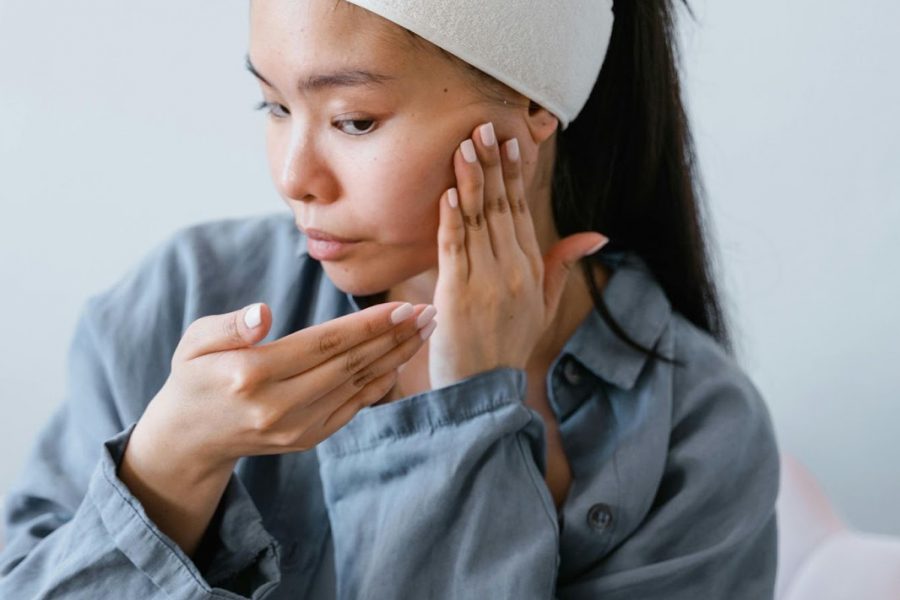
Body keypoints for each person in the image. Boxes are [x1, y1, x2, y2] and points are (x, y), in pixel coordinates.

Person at [0, 0, 780, 598]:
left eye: (353, 120)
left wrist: (465, 415)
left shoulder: (695, 433)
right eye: (273, 106)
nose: (293, 175)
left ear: (534, 104)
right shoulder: (184, 299)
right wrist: (168, 467)